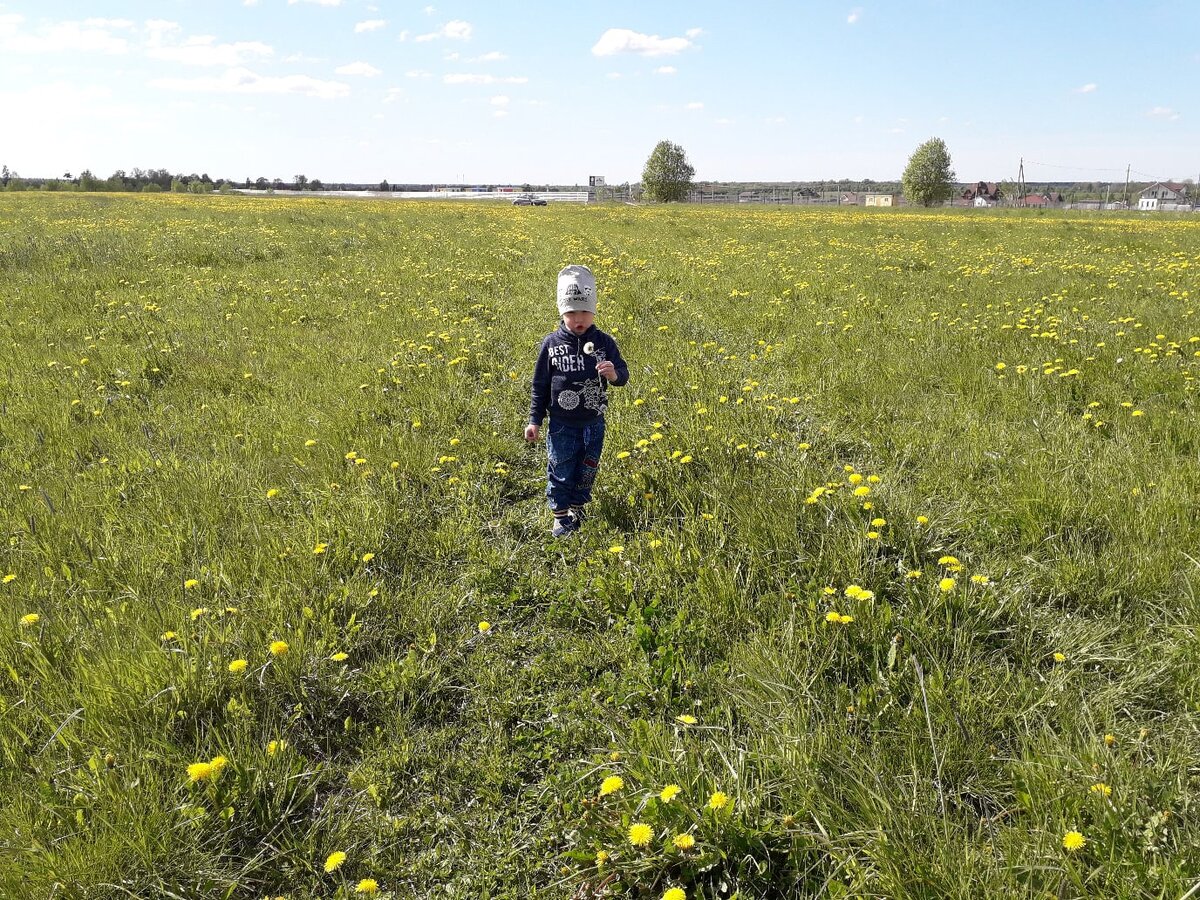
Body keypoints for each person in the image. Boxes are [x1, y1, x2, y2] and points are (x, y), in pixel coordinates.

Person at [525, 264, 629, 537]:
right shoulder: (551, 345)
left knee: (588, 467)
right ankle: (560, 514)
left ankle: (578, 505)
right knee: (561, 465)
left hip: (594, 422)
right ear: (562, 312)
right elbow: (540, 385)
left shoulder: (605, 342)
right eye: (571, 312)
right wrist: (535, 419)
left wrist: (614, 374)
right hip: (562, 422)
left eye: (584, 311)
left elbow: (623, 375)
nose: (578, 318)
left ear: (594, 311)